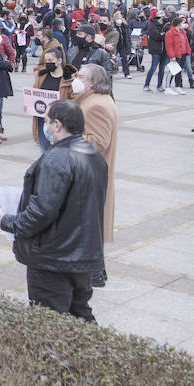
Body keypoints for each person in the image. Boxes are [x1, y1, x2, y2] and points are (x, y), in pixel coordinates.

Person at [0, 99, 108, 321]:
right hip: (81, 254)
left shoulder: (56, 159)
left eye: (46, 121)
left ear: (57, 125)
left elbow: (42, 211)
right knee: (80, 316)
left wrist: (10, 222)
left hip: (54, 258)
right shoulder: (93, 154)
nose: (45, 126)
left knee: (49, 323)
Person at [75, 63, 118, 285]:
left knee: (90, 222)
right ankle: (95, 270)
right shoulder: (92, 100)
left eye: (80, 76)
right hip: (91, 173)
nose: (75, 78)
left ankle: (94, 272)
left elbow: (98, 142)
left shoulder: (96, 105)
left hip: (91, 174)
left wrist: (67, 135)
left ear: (91, 83)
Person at [31, 50, 76, 154]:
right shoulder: (41, 76)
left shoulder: (69, 79)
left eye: (50, 60)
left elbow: (75, 100)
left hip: (60, 122)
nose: (47, 63)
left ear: (59, 61)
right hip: (43, 119)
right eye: (46, 60)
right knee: (44, 153)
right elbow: (34, 93)